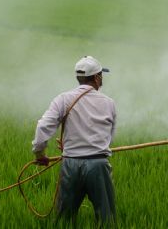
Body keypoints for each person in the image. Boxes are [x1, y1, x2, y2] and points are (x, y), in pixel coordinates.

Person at [31, 56, 117, 225]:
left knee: (64, 220)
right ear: (97, 77)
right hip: (98, 165)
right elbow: (108, 138)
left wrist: (40, 154)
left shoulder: (63, 99)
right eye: (101, 75)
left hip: (70, 164)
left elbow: (43, 127)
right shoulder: (109, 103)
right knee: (106, 219)